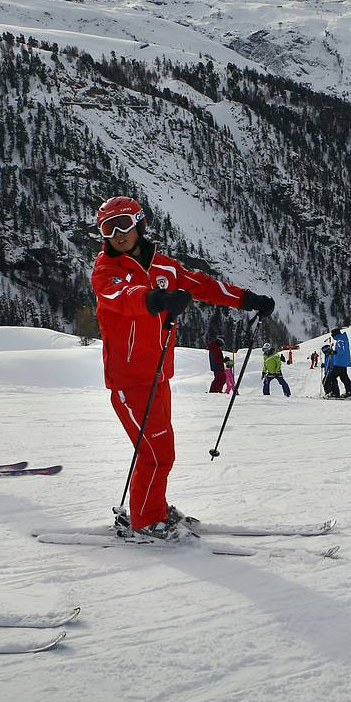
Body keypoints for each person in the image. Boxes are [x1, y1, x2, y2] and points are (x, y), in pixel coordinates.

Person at [90, 196, 275, 540]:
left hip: (159, 377)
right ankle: (146, 522)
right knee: (156, 452)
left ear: (140, 225)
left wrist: (246, 299)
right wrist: (154, 299)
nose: (117, 234)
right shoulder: (106, 271)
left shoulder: (165, 268)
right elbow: (121, 297)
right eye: (107, 228)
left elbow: (202, 285)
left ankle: (153, 509)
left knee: (162, 450)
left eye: (123, 225)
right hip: (129, 382)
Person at [324, 327, 351, 399]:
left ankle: (335, 393)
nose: (332, 336)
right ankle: (350, 392)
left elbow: (341, 350)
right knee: (344, 377)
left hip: (340, 362)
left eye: (332, 334)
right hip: (342, 362)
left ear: (335, 334)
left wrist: (333, 352)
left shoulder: (340, 340)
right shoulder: (342, 338)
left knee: (332, 377)